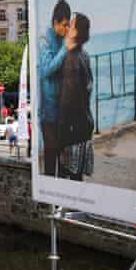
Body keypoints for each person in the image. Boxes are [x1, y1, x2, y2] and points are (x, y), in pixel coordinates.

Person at [58, 13, 94, 181]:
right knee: (77, 176)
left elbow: (68, 98)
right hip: (84, 123)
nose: (66, 27)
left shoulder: (71, 58)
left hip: (72, 127)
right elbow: (87, 88)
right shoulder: (84, 55)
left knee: (68, 175)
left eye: (70, 25)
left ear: (76, 32)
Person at [38, 0, 73, 177]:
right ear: (55, 22)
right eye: (64, 25)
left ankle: (64, 198)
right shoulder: (44, 39)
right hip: (49, 111)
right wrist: (65, 48)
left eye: (69, 25)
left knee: (65, 158)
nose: (67, 29)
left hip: (64, 110)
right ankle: (49, 201)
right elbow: (46, 70)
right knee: (51, 156)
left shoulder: (63, 38)